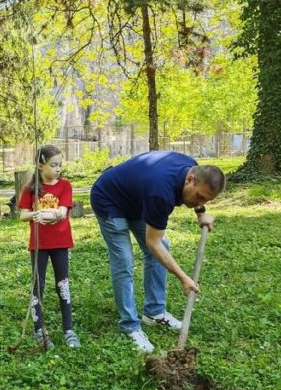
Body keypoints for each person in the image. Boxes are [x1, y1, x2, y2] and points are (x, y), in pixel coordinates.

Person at [90, 151, 224, 353]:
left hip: (137, 199)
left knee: (165, 246)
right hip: (109, 198)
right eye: (199, 197)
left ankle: (154, 312)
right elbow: (153, 244)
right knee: (124, 260)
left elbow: (159, 241)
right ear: (190, 179)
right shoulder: (161, 193)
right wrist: (183, 278)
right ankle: (130, 326)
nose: (199, 202)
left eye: (205, 200)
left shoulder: (193, 168)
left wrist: (201, 214)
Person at [18, 145, 80, 349]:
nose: (58, 168)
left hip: (60, 242)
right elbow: (23, 214)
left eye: (60, 165)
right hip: (39, 244)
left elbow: (62, 212)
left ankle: (68, 329)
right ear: (41, 164)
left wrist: (46, 214)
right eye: (54, 165)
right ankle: (39, 330)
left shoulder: (65, 186)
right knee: (38, 286)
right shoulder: (31, 189)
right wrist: (35, 215)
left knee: (63, 284)